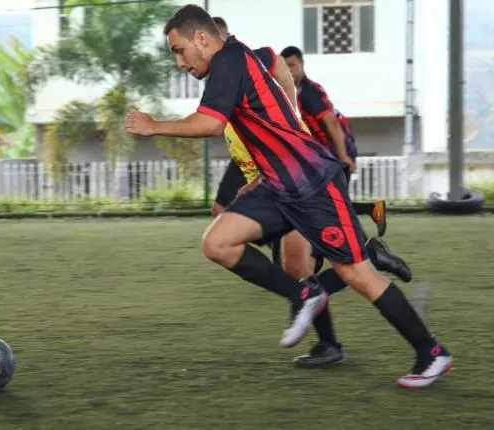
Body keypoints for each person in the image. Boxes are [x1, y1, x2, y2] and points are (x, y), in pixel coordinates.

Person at [126, 4, 453, 388]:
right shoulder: (235, 58)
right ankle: (305, 295)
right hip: (275, 185)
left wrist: (153, 126)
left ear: (202, 38)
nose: (179, 62)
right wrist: (285, 119)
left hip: (312, 184)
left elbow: (211, 124)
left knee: (356, 275)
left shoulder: (228, 60)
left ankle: (431, 352)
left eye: (179, 51)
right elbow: (276, 66)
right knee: (218, 242)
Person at [210, 16, 412, 367]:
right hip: (273, 184)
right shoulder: (224, 84)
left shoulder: (247, 67)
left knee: (305, 273)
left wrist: (292, 113)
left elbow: (274, 64)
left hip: (297, 182)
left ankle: (339, 337)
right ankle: (334, 327)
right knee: (298, 273)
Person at [279, 45, 386, 234]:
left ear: (302, 64)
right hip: (327, 156)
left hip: (336, 154)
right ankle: (369, 217)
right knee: (333, 204)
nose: (289, 71)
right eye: (285, 67)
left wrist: (343, 156)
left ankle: (364, 239)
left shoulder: (310, 92)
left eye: (292, 65)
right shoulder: (300, 92)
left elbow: (332, 123)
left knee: (335, 206)